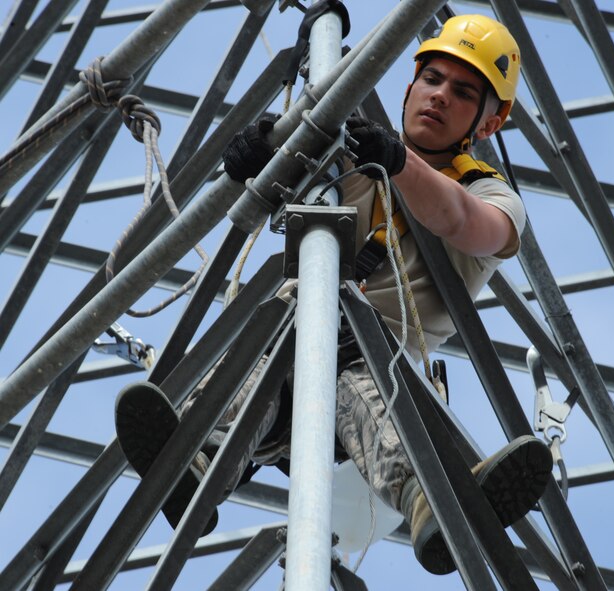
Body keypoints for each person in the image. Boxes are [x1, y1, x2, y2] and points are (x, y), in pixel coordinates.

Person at [115, 14, 553, 576]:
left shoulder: (487, 193)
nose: (440, 97)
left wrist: (397, 161)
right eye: (433, 80)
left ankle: (435, 505)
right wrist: (260, 153)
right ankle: (195, 462)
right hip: (282, 351)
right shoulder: (344, 152)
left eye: (463, 92)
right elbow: (269, 183)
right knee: (265, 354)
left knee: (354, 363)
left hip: (372, 375)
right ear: (409, 85)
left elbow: (465, 221)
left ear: (490, 122)